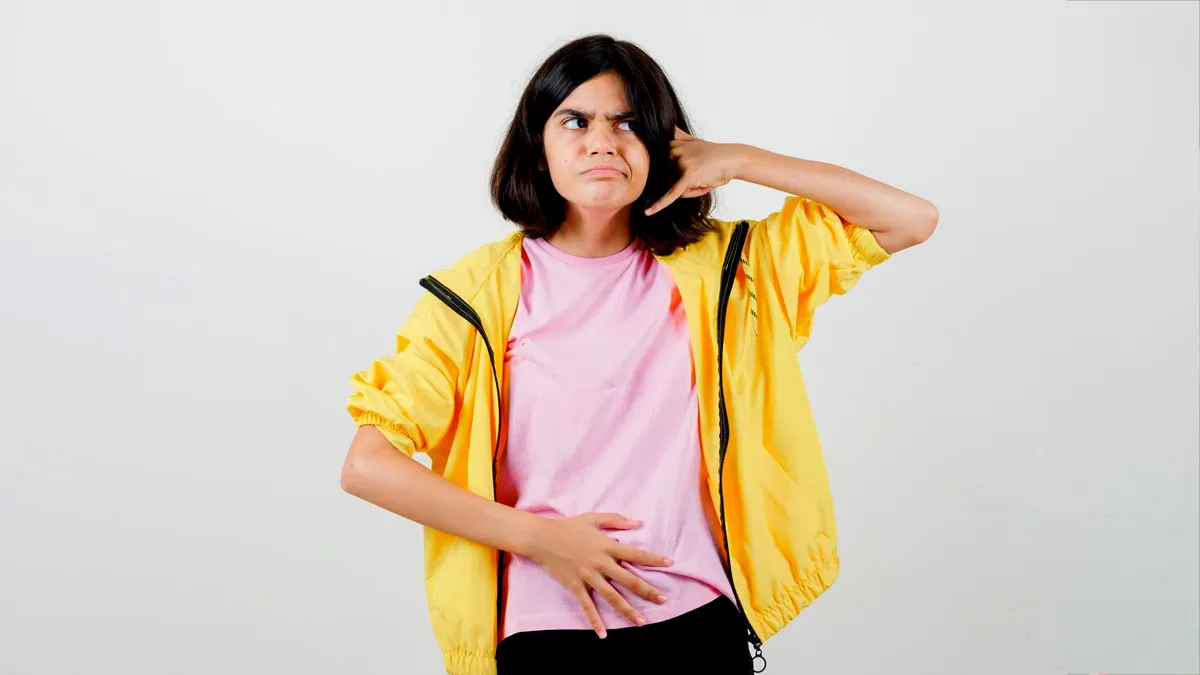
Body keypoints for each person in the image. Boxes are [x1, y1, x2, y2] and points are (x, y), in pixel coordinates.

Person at [339, 33, 937, 675]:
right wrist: (543, 539)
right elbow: (368, 465)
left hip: (698, 625)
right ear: (539, 150)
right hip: (547, 633)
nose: (602, 142)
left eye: (627, 123)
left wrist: (738, 158)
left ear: (662, 146)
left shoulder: (733, 271)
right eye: (575, 121)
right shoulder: (476, 296)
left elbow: (909, 218)